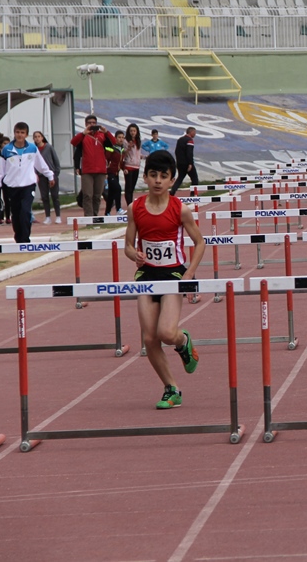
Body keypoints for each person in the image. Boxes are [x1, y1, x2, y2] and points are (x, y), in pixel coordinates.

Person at [124, 150, 205, 409]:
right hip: (147, 276)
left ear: (172, 180)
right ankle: (172, 388)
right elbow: (127, 244)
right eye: (153, 175)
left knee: (167, 332)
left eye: (164, 176)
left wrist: (189, 274)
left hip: (173, 275)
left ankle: (183, 341)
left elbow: (200, 242)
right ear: (145, 178)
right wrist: (133, 254)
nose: (158, 180)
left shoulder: (180, 209)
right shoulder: (134, 208)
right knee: (149, 339)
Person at [0, 122, 54, 243]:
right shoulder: (7, 150)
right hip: (12, 186)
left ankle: (25, 239)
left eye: (22, 133)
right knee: (15, 213)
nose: (19, 135)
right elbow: (0, 170)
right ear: (14, 133)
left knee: (25, 211)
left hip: (28, 185)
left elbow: (41, 165)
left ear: (26, 134)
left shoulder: (32, 148)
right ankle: (18, 237)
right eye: (17, 132)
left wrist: (50, 176)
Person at [70, 114, 114, 216]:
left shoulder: (102, 136)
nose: (92, 125)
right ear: (85, 124)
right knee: (87, 195)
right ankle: (88, 218)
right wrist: (77, 167)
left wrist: (106, 132)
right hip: (87, 171)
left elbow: (114, 143)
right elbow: (73, 143)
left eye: (94, 123)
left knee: (97, 195)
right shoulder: (83, 136)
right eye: (89, 123)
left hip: (101, 170)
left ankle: (95, 216)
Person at [32, 131, 61, 224]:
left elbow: (56, 161)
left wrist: (55, 173)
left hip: (52, 175)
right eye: (35, 137)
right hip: (41, 177)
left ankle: (58, 216)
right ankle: (48, 216)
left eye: (39, 136)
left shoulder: (48, 147)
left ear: (42, 137)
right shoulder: (34, 149)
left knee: (55, 196)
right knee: (44, 197)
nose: (37, 138)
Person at [170, 127, 199, 195]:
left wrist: (178, 161)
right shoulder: (189, 140)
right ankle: (193, 194)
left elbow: (176, 151)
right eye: (194, 132)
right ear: (191, 132)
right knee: (195, 179)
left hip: (180, 163)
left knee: (180, 178)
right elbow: (189, 153)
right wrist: (190, 163)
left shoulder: (180, 139)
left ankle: (172, 191)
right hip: (187, 163)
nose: (195, 134)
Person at [105, 130, 126, 215]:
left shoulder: (122, 149)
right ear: (115, 138)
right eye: (119, 137)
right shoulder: (111, 147)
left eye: (122, 138)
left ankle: (107, 212)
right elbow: (106, 159)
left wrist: (124, 168)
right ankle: (118, 209)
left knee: (111, 194)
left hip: (116, 173)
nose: (121, 139)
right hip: (110, 173)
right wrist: (105, 172)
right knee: (118, 189)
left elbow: (121, 161)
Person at [122, 123, 143, 205]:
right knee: (128, 187)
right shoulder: (125, 141)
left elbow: (137, 153)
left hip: (136, 166)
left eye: (134, 131)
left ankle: (131, 204)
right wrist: (129, 147)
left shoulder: (138, 141)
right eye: (131, 131)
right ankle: (129, 205)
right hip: (128, 165)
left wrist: (143, 157)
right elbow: (124, 154)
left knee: (132, 188)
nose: (133, 132)